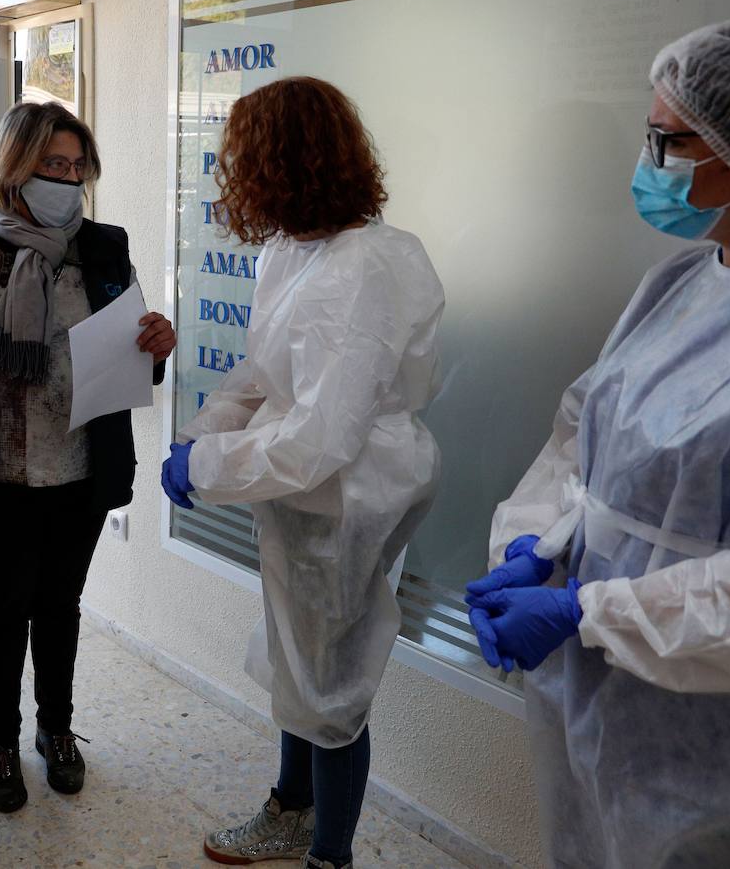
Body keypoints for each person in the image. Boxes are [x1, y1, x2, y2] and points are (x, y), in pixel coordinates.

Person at [467, 13, 730, 868]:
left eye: (668, 140)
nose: (647, 161)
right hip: (599, 696)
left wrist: (591, 609)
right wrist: (533, 545)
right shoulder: (679, 282)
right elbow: (582, 433)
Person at [162, 77, 445, 869]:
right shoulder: (295, 250)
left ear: (286, 162)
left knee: (330, 682)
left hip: (348, 490)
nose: (235, 176)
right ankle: (291, 808)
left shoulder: (368, 267)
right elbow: (263, 375)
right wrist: (200, 436)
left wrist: (211, 464)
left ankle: (329, 853)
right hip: (302, 484)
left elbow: (321, 436)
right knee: (299, 650)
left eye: (245, 159)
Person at [0, 102, 177, 813]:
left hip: (80, 467)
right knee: (4, 608)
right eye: (56, 164)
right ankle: (0, 738)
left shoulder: (104, 249)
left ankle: (56, 729)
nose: (69, 178)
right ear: (16, 166)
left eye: (79, 166)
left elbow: (130, 352)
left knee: (60, 606)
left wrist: (156, 343)